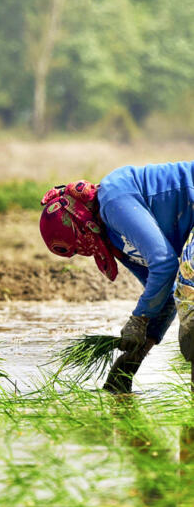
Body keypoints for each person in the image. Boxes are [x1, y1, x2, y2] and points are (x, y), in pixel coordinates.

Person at [39, 163, 194, 393]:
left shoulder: (112, 199)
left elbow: (164, 264)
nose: (84, 251)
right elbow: (167, 294)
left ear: (80, 224)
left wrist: (138, 318)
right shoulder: (113, 237)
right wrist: (133, 359)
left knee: (191, 296)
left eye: (79, 246)